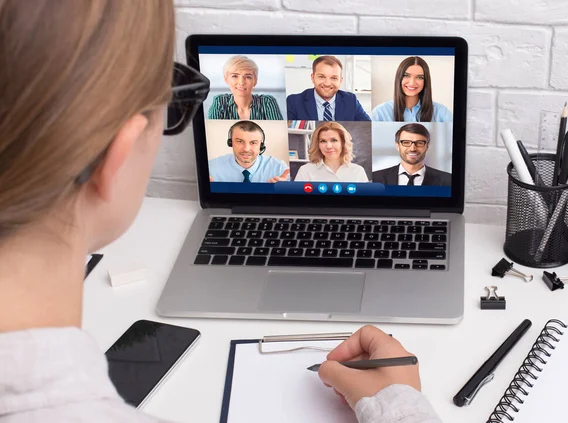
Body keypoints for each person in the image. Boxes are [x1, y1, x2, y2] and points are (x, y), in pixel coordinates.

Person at [0, 1, 440, 422]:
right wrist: (399, 410)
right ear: (123, 149)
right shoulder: (292, 134)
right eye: (173, 100)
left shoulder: (348, 129)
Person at [286, 55, 370, 121]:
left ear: (340, 81)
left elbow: (369, 128)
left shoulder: (351, 100)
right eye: (322, 77)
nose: (327, 83)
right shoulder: (294, 102)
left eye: (333, 78)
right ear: (312, 78)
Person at [371, 56, 452, 123]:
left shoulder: (441, 112)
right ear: (399, 78)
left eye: (419, 77)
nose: (412, 83)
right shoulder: (380, 113)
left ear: (426, 81)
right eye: (406, 75)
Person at [208, 120, 290, 183]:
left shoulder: (279, 168)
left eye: (253, 142)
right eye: (240, 141)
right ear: (230, 142)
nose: (246, 149)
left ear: (261, 146)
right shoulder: (211, 168)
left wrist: (284, 191)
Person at [372, 123, 452, 186]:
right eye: (406, 143)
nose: (412, 148)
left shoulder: (448, 180)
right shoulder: (375, 178)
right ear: (398, 146)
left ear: (427, 146)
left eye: (419, 143)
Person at [207, 55, 283, 120]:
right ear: (226, 79)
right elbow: (211, 133)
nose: (241, 82)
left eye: (248, 77)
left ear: (255, 81)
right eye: (235, 76)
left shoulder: (267, 102)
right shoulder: (220, 102)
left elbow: (278, 134)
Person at [294, 121, 369, 182]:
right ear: (318, 145)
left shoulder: (358, 171)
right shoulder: (305, 171)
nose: (328, 146)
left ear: (343, 143)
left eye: (334, 140)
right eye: (323, 141)